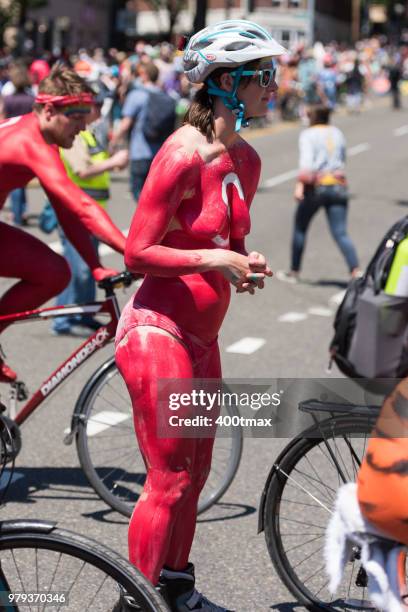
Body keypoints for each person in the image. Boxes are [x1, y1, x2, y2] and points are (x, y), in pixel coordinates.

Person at [114, 20, 284, 612]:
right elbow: (137, 251)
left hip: (202, 336)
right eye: (263, 75)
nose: (273, 85)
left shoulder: (249, 159)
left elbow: (223, 240)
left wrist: (244, 262)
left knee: (197, 470)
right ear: (225, 83)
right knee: (169, 478)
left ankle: (176, 590)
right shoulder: (180, 154)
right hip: (156, 330)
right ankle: (136, 601)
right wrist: (217, 256)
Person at [0, 64, 126, 382]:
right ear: (49, 111)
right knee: (53, 272)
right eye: (76, 120)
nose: (82, 130)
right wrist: (134, 251)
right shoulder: (32, 143)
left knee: (55, 272)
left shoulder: (39, 136)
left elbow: (67, 211)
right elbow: (82, 204)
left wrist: (95, 265)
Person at [51, 93, 129, 336]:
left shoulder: (87, 133)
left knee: (87, 267)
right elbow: (82, 170)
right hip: (76, 211)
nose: (98, 109)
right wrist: (114, 161)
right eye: (95, 105)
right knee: (79, 270)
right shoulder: (74, 136)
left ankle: (83, 315)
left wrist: (113, 161)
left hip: (92, 211)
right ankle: (64, 319)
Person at [277, 104, 360, 283]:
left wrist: (300, 185)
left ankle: (294, 271)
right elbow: (343, 157)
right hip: (338, 185)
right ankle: (355, 270)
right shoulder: (337, 132)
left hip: (316, 187)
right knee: (340, 232)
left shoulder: (308, 134)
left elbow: (308, 165)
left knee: (300, 227)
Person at [109, 61, 176, 202]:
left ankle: (145, 224)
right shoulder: (164, 96)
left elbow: (125, 124)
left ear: (144, 75)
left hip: (140, 152)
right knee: (154, 196)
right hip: (159, 153)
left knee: (138, 194)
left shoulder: (137, 95)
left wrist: (113, 142)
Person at [0, 64, 34, 226]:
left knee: (13, 181)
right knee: (23, 178)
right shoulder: (31, 99)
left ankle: (17, 213)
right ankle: (24, 210)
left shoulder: (7, 100)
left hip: (11, 142)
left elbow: (2, 120)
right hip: (28, 141)